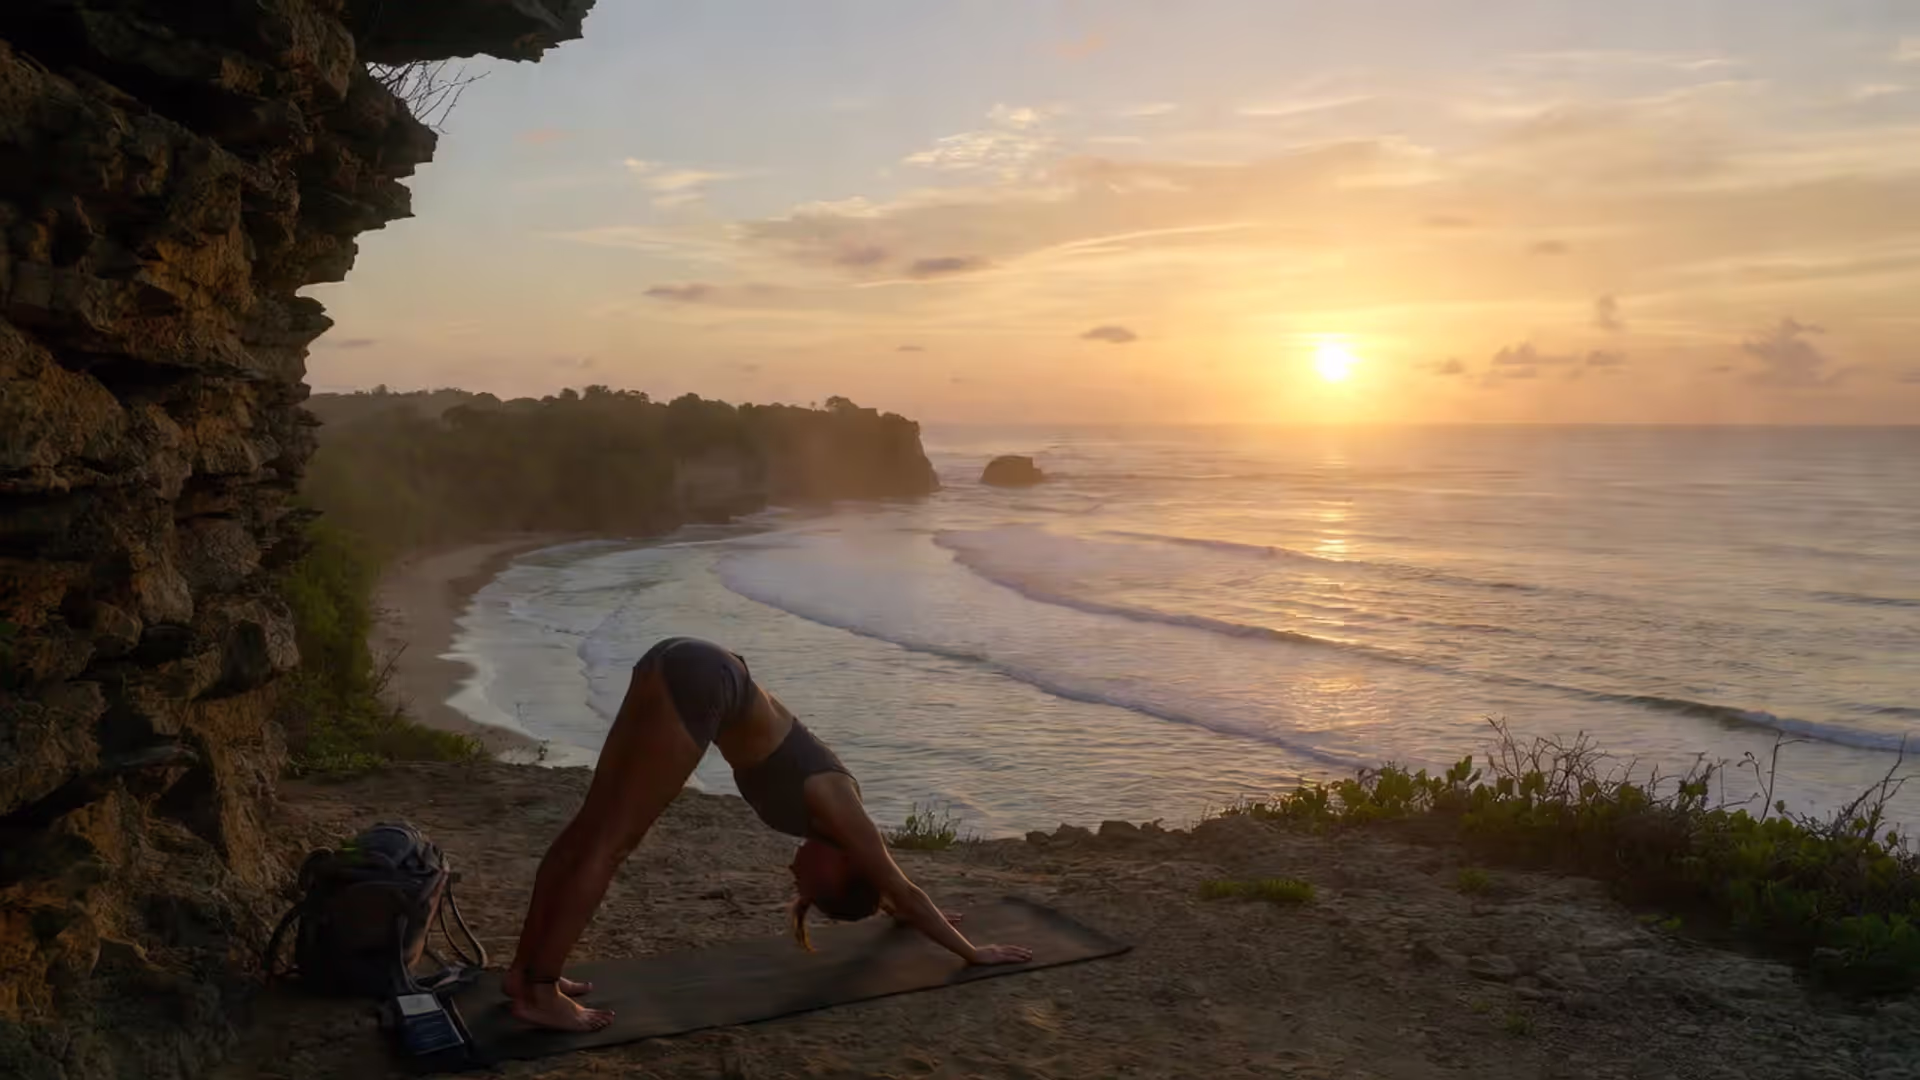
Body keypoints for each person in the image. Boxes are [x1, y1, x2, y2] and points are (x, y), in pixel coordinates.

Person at [502, 636, 1033, 1032]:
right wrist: (971, 951)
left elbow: (897, 895)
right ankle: (542, 990)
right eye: (813, 889)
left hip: (685, 663)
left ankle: (525, 974)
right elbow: (902, 888)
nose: (795, 878)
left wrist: (908, 916)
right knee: (609, 844)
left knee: (590, 829)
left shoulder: (839, 832)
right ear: (847, 866)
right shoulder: (842, 807)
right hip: (704, 681)